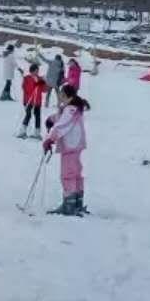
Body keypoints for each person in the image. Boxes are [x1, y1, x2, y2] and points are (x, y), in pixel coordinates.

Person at [43, 84, 91, 215]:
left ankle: (69, 205)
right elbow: (62, 118)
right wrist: (51, 119)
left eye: (60, 94)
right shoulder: (73, 108)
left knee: (67, 175)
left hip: (71, 146)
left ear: (65, 95)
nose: (59, 97)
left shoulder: (70, 109)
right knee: (75, 173)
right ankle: (77, 202)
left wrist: (50, 139)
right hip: (76, 145)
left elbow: (63, 125)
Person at [18, 62, 48, 137]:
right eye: (36, 71)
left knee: (38, 117)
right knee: (28, 115)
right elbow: (26, 89)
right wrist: (36, 84)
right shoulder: (27, 78)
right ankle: (22, 131)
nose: (37, 72)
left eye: (38, 71)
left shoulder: (40, 79)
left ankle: (37, 133)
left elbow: (45, 90)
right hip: (29, 101)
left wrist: (44, 82)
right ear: (31, 71)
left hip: (37, 102)